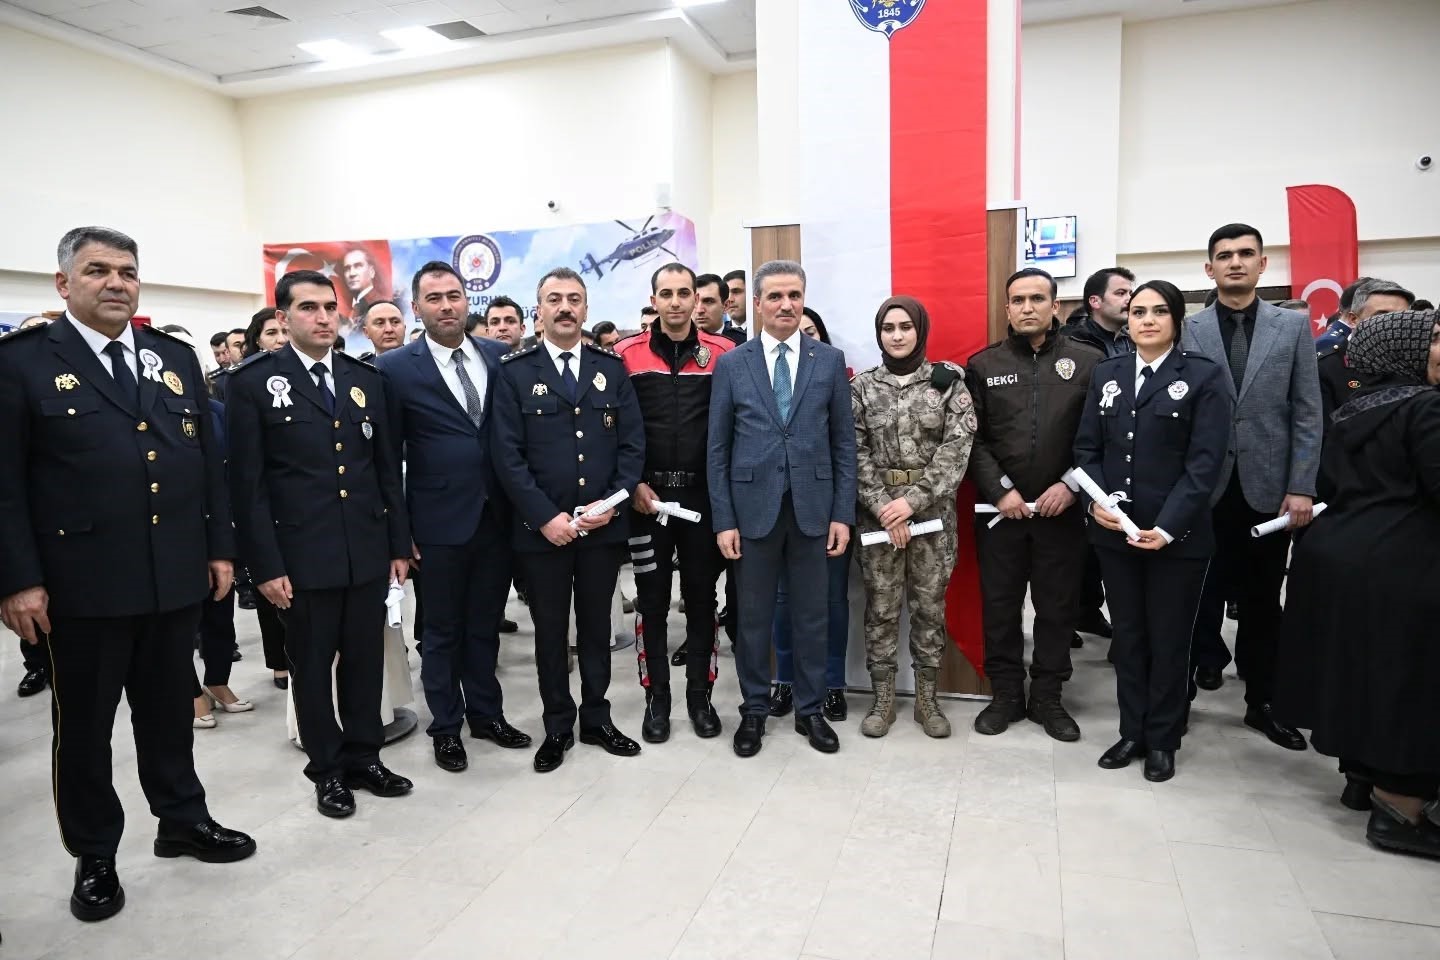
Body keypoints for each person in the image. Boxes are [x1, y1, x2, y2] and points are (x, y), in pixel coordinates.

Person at [0, 226, 255, 923]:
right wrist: (16, 579)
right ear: (64, 284)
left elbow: (206, 466)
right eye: (97, 270)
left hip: (172, 575)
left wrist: (219, 548)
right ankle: (94, 853)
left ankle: (182, 820)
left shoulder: (171, 357)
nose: (116, 282)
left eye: (128, 271)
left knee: (169, 713)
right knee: (85, 729)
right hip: (80, 586)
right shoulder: (22, 363)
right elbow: (5, 484)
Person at [227, 269, 414, 818]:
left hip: (365, 549)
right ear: (283, 318)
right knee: (311, 668)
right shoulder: (253, 382)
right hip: (300, 557)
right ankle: (327, 771)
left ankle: (365, 757)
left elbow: (385, 471)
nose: (324, 317)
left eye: (330, 307)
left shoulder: (365, 379)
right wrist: (264, 565)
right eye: (309, 307)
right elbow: (247, 486)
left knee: (364, 660)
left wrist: (397, 544)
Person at [1275, 310, 1440, 857]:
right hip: (1403, 564)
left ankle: (1362, 779)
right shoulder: (1425, 408)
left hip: (1344, 555)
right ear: (1405, 353)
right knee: (1405, 686)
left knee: (1365, 676)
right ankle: (1401, 812)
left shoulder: (1352, 409)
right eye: (1435, 340)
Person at [1074, 280, 1232, 782]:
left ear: (1176, 320)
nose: (1146, 320)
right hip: (1116, 534)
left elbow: (1205, 465)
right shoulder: (1108, 373)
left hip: (1176, 539)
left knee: (1170, 640)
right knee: (1129, 637)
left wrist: (1166, 527)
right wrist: (1096, 504)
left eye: (1158, 311)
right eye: (1138, 311)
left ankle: (1163, 738)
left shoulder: (1203, 376)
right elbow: (1087, 450)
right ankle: (1132, 731)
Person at [377, 262, 531, 774]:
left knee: (485, 626)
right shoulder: (395, 368)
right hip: (436, 525)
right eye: (434, 298)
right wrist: (400, 534)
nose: (446, 306)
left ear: (468, 300)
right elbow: (387, 459)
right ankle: (446, 727)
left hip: (497, 518)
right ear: (416, 307)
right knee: (442, 632)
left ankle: (486, 715)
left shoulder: (499, 356)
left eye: (454, 295)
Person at [491, 267, 645, 773]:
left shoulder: (611, 368)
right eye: (554, 299)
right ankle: (558, 723)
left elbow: (631, 447)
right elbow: (507, 456)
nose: (564, 307)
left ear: (585, 308)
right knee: (551, 632)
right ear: (539, 310)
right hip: (545, 534)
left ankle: (597, 717)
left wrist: (612, 504)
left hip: (602, 530)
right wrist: (544, 518)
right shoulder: (515, 372)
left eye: (573, 299)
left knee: (597, 629)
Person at [707, 259, 858, 758]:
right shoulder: (733, 363)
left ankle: (810, 710)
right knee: (753, 618)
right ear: (756, 303)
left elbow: (844, 446)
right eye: (775, 296)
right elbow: (718, 449)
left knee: (812, 616)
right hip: (752, 512)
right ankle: (754, 709)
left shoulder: (828, 361)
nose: (786, 304)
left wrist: (842, 514)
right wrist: (724, 520)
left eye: (794, 295)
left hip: (814, 510)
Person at [1182, 223, 1321, 751]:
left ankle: (1262, 702)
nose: (1235, 262)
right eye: (1224, 256)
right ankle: (1186, 689)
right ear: (1209, 268)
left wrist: (1302, 485)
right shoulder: (1189, 329)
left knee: (1262, 602)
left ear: (1263, 264)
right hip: (1204, 488)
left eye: (1245, 254)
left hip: (1269, 488)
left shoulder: (1292, 327)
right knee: (1198, 596)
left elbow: (1307, 411)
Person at [967, 267, 1101, 742]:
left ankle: (1048, 696)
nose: (1027, 308)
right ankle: (1006, 693)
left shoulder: (1088, 362)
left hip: (1062, 513)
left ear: (1055, 306)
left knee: (1057, 608)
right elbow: (972, 439)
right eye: (1018, 300)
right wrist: (999, 490)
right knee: (1000, 606)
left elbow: (1097, 438)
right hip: (1000, 515)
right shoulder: (983, 365)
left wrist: (1070, 485)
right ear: (1007, 309)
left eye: (1037, 299)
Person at [616, 262, 733, 743]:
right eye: (666, 294)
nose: (677, 302)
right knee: (652, 603)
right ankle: (657, 701)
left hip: (704, 499)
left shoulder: (724, 354)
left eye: (685, 293)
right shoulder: (626, 355)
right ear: (654, 300)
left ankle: (699, 699)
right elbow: (617, 430)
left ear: (697, 300)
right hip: (648, 501)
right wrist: (633, 485)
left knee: (703, 601)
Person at [851, 296, 976, 738]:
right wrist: (886, 508)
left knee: (928, 608)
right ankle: (882, 699)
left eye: (906, 326)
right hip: (878, 517)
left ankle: (927, 699)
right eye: (888, 328)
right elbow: (854, 452)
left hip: (932, 519)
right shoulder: (862, 388)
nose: (897, 335)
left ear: (920, 330)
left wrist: (912, 502)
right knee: (881, 609)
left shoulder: (947, 385)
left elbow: (957, 449)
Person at [770, 305, 853, 721]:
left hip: (823, 508)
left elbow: (845, 448)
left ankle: (832, 684)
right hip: (773, 508)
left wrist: (842, 513)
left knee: (831, 601)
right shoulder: (762, 369)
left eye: (811, 332)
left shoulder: (833, 373)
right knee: (782, 602)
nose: (801, 337)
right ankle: (785, 679)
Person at [1063, 266, 1137, 644]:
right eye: (1121, 293)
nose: (1129, 300)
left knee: (1105, 544)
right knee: (1072, 549)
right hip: (1075, 457)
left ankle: (1089, 611)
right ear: (1095, 301)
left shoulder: (1129, 342)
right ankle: (1067, 617)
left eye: (1130, 292)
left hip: (1117, 458)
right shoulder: (1071, 344)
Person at [1316, 278, 1415, 428]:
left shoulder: (1415, 364)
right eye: (1381, 316)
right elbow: (1323, 431)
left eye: (1402, 317)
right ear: (1353, 319)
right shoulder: (1326, 367)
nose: (1393, 324)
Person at [723, 269, 749, 341]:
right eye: (726, 293)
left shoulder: (765, 332)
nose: (730, 299)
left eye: (736, 292)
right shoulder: (719, 335)